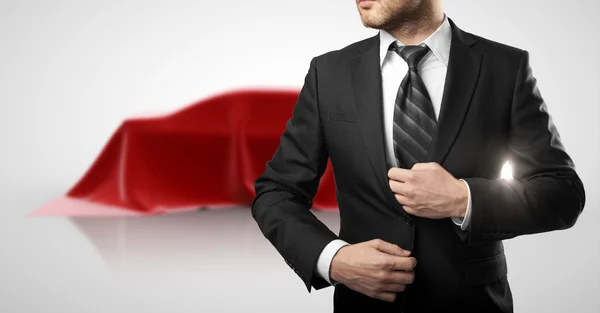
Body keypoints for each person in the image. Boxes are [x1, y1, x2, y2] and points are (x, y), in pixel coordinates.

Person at [250, 0, 586, 312]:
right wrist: (333, 259)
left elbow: (562, 192)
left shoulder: (504, 68)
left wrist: (465, 200)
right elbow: (277, 193)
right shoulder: (329, 73)